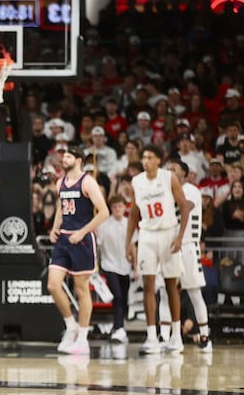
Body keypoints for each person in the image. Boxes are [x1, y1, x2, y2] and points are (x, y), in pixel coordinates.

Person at [125, 144, 190, 354]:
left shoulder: (168, 178)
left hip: (168, 233)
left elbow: (184, 207)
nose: (145, 160)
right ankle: (152, 337)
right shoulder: (137, 181)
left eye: (150, 157)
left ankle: (176, 337)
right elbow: (134, 214)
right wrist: (128, 241)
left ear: (158, 160)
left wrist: (180, 237)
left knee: (172, 286)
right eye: (144, 157)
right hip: (147, 235)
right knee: (148, 284)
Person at [47, 146, 110, 355]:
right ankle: (71, 326)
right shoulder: (60, 183)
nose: (64, 159)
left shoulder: (88, 182)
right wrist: (55, 227)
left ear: (79, 160)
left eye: (68, 156)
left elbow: (104, 213)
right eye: (63, 156)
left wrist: (82, 233)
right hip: (64, 239)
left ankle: (82, 338)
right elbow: (61, 206)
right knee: (53, 285)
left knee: (81, 289)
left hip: (82, 239)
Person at [163, 160, 213, 352]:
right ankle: (167, 337)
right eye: (167, 170)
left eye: (173, 170)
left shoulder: (191, 190)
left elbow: (184, 207)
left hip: (187, 246)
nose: (169, 173)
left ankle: (205, 335)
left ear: (184, 173)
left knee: (194, 293)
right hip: (168, 247)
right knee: (166, 293)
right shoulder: (165, 191)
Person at [95, 194, 131, 344]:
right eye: (115, 207)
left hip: (125, 266)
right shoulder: (103, 225)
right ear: (111, 208)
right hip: (109, 265)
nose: (118, 209)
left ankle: (118, 326)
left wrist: (135, 266)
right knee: (117, 296)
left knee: (123, 297)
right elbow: (98, 245)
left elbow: (132, 245)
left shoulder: (129, 223)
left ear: (124, 207)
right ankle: (118, 327)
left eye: (120, 206)